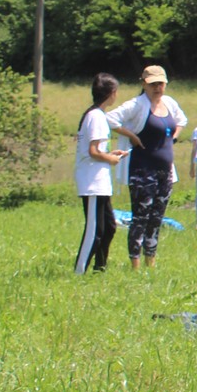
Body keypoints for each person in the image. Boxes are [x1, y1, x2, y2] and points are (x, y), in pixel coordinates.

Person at [109, 65, 187, 268]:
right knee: (141, 217)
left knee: (157, 217)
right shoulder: (137, 104)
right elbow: (110, 119)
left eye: (160, 84)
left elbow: (181, 120)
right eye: (153, 84)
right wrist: (132, 136)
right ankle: (134, 263)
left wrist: (174, 137)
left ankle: (150, 262)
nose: (157, 88)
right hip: (142, 169)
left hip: (165, 170)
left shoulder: (169, 103)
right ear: (144, 84)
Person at [74, 74, 128, 274]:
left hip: (100, 182)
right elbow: (93, 152)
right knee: (95, 231)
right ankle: (79, 272)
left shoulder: (96, 115)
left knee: (110, 227)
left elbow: (96, 151)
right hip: (92, 182)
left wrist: (111, 154)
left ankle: (100, 269)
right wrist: (111, 159)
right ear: (112, 93)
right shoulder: (96, 116)